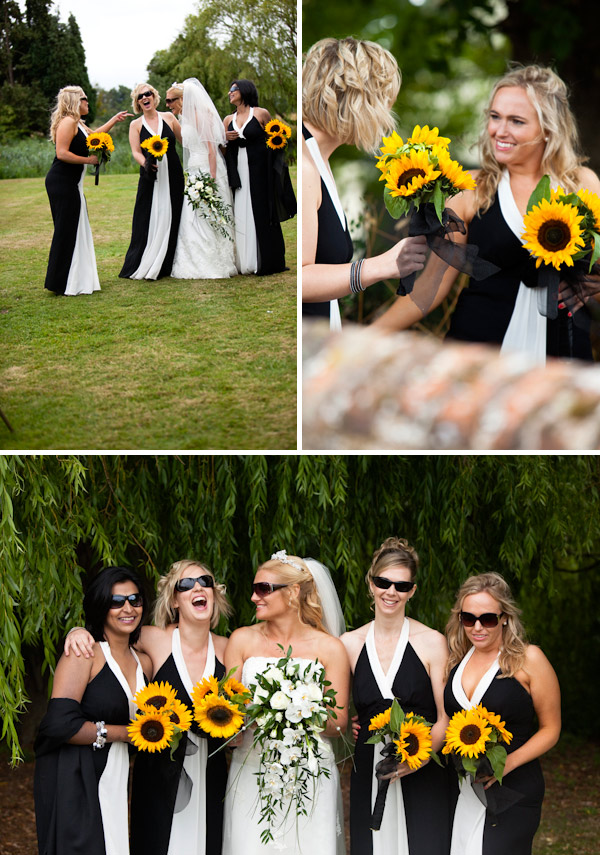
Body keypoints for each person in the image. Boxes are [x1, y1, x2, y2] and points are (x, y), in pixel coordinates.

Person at [375, 65, 600, 362]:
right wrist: (360, 340)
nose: (500, 131)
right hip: (477, 356)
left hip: (563, 355)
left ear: (548, 128)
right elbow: (431, 288)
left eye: (516, 121)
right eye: (495, 117)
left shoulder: (582, 184)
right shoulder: (470, 190)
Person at [64, 559, 231, 855]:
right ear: (175, 600)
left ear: (214, 594)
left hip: (211, 770)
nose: (198, 588)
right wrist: (78, 630)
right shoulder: (153, 639)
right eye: (186, 584)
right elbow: (110, 634)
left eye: (205, 581)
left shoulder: (229, 647)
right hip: (157, 773)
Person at [222, 551, 349, 855]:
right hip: (251, 771)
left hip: (310, 774)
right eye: (254, 589)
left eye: (264, 589)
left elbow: (337, 724)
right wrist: (233, 724)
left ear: (293, 593)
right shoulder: (240, 640)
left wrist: (294, 707)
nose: (254, 597)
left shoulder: (330, 648)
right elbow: (228, 717)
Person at [302, 37, 428, 330]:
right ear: (362, 100)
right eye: (385, 101)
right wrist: (382, 265)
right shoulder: (308, 166)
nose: (386, 117)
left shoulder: (319, 158)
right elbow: (302, 279)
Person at [341, 537, 453, 855]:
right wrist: (348, 724)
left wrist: (417, 759)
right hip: (369, 765)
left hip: (424, 765)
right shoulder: (349, 644)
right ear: (371, 583)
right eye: (383, 582)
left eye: (401, 586)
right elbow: (335, 710)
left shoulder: (432, 642)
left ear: (412, 591)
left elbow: (446, 715)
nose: (391, 592)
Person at [34, 566, 150, 855]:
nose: (128, 608)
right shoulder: (84, 653)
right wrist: (124, 733)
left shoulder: (144, 662)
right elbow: (58, 724)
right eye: (116, 601)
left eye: (135, 600)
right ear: (101, 605)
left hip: (116, 771)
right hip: (75, 774)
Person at [444, 572, 560, 855]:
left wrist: (508, 763)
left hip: (515, 790)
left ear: (505, 617)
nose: (478, 627)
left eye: (489, 618)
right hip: (468, 789)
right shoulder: (457, 659)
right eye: (468, 618)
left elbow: (551, 729)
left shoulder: (529, 659)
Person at [44, 85, 131, 295]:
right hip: (62, 182)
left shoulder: (78, 123)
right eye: (84, 99)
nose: (87, 102)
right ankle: (60, 282)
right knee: (66, 230)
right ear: (74, 101)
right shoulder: (67, 122)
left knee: (76, 227)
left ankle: (75, 278)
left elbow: (96, 136)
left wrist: (113, 120)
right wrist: (88, 160)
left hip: (72, 184)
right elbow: (62, 153)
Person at [169, 78, 237, 279]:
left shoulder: (199, 116)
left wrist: (212, 178)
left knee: (209, 212)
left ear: (182, 99)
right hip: (193, 171)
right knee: (193, 216)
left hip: (207, 170)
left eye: (171, 100)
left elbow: (211, 150)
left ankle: (214, 260)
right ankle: (193, 259)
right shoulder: (186, 118)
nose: (169, 104)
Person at [223, 79, 289, 275]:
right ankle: (246, 260)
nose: (230, 93)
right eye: (229, 90)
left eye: (233, 89)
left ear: (244, 91)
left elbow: (275, 140)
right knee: (241, 210)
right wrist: (225, 139)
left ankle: (267, 259)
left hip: (260, 170)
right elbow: (222, 150)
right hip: (238, 170)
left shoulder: (261, 114)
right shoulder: (227, 120)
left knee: (260, 210)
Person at [119, 83, 184, 280]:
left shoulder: (169, 118)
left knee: (174, 212)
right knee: (146, 215)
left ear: (154, 97)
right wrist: (146, 163)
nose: (145, 98)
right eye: (140, 96)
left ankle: (169, 262)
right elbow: (136, 152)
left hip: (173, 173)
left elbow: (186, 141)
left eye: (148, 94)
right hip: (150, 175)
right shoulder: (135, 125)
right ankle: (145, 259)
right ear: (137, 103)